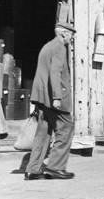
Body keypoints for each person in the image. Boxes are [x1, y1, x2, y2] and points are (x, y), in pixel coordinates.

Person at [25, 22, 76, 180]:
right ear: (63, 34)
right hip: (53, 99)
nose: (71, 39)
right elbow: (55, 72)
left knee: (43, 133)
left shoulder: (47, 46)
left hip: (42, 97)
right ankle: (55, 167)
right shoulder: (59, 47)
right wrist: (57, 97)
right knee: (66, 128)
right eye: (70, 35)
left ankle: (33, 169)